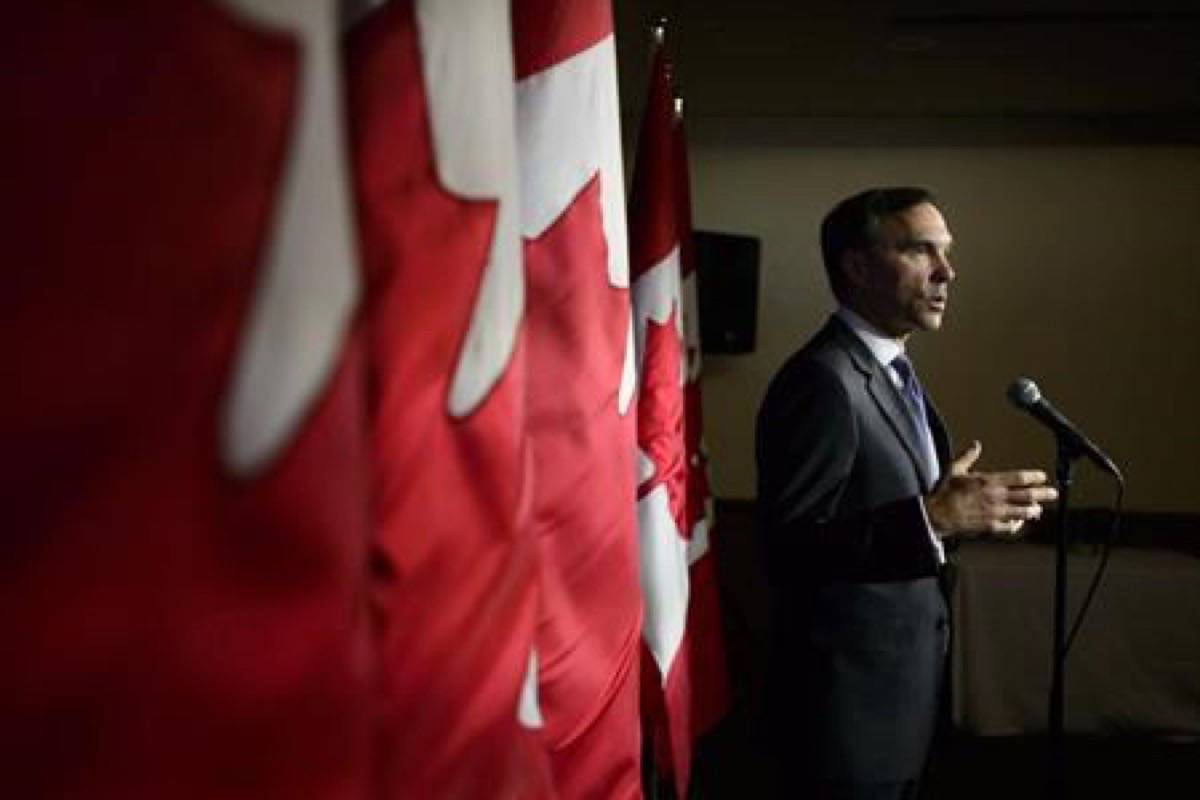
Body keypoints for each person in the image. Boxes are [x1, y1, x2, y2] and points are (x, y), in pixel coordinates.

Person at [755, 187, 1057, 799]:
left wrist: (951, 510)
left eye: (945, 252)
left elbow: (885, 512)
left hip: (901, 704)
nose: (948, 272)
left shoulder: (892, 370)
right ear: (857, 266)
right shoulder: (823, 381)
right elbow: (787, 550)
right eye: (922, 251)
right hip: (844, 722)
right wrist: (932, 519)